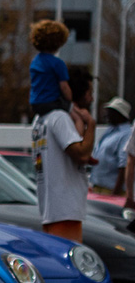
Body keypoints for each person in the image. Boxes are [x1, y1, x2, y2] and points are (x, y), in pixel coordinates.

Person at [33, 71, 95, 242]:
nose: (91, 100)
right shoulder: (59, 118)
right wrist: (91, 124)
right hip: (65, 210)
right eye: (90, 94)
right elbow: (81, 154)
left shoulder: (41, 118)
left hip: (51, 208)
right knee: (68, 264)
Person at [89, 97, 132, 195]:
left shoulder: (126, 134)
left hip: (111, 190)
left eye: (111, 112)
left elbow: (124, 165)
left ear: (120, 115)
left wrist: (115, 193)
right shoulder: (110, 131)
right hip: (98, 187)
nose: (107, 114)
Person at [29, 20, 72, 116]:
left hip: (35, 104)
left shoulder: (35, 62)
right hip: (51, 103)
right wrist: (70, 100)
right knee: (77, 116)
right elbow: (64, 87)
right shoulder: (58, 63)